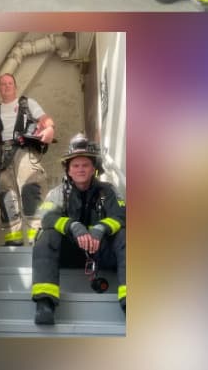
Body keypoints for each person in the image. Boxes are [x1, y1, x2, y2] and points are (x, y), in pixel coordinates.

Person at [31, 135, 127, 324]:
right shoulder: (58, 193)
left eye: (85, 165)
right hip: (71, 254)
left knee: (125, 235)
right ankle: (45, 303)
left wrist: (101, 229)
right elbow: (47, 217)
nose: (80, 169)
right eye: (75, 165)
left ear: (93, 169)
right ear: (68, 170)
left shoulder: (107, 191)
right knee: (46, 236)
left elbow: (122, 215)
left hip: (101, 252)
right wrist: (73, 226)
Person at [0, 72, 55, 245]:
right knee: (7, 199)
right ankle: (13, 242)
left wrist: (50, 129)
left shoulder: (27, 103)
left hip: (24, 151)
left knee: (30, 190)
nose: (6, 86)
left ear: (15, 87)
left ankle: (37, 240)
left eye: (9, 83)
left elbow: (45, 119)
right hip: (3, 156)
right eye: (3, 84)